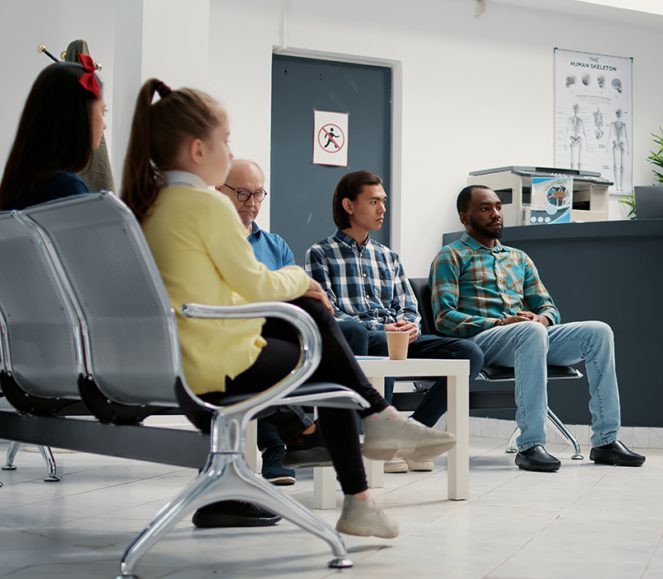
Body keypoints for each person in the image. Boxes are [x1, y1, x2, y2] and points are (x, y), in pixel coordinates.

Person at [121, 78, 455, 537]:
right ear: (199, 150)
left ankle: (375, 434)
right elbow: (254, 282)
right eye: (226, 140)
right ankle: (371, 450)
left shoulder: (150, 205)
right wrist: (304, 280)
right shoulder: (207, 205)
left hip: (181, 361)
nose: (229, 149)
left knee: (318, 323)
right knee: (321, 331)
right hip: (218, 365)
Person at [429, 185, 645, 473]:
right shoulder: (451, 256)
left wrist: (541, 319)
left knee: (598, 331)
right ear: (464, 217)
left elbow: (549, 307)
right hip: (483, 339)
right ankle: (530, 445)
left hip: (530, 335)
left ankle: (605, 442)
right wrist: (500, 323)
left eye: (497, 207)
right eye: (485, 209)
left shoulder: (518, 258)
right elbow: (445, 317)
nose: (495, 214)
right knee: (530, 332)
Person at [305, 170, 484, 474]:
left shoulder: (389, 257)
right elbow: (329, 313)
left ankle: (409, 436)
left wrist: (410, 325)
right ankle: (381, 436)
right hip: (363, 340)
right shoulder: (320, 254)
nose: (382, 209)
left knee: (470, 354)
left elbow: (408, 305)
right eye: (373, 201)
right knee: (367, 339)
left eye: (384, 202)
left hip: (399, 339)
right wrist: (382, 329)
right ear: (349, 206)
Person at [216, 159, 336, 487]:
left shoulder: (275, 244)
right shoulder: (215, 238)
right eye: (242, 194)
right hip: (235, 330)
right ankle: (282, 445)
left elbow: (293, 292)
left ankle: (318, 429)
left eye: (258, 195)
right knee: (273, 343)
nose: (251, 204)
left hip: (277, 322)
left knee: (320, 327)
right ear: (218, 189)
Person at [0, 57, 105, 210]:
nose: (104, 125)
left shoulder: (15, 187)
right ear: (78, 118)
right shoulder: (67, 189)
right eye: (103, 112)